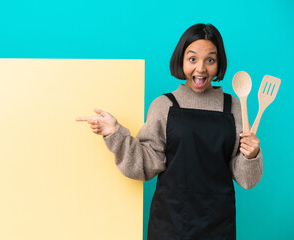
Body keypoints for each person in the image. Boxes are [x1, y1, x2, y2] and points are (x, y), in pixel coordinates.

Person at [76, 23, 262, 240]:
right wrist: (115, 132)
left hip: (218, 224)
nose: (201, 69)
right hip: (170, 223)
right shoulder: (164, 105)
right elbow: (145, 165)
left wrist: (251, 155)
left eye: (209, 60)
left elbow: (247, 181)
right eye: (192, 59)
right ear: (181, 60)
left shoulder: (235, 107)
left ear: (218, 63)